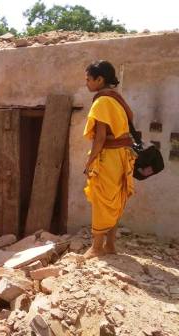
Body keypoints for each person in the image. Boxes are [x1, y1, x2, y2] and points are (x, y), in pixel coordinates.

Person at [83, 60, 136, 259]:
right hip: (122, 156)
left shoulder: (102, 102)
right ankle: (111, 245)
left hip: (109, 158)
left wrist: (89, 162)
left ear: (100, 79)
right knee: (115, 200)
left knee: (102, 199)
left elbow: (100, 137)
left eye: (89, 79)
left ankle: (97, 247)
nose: (86, 83)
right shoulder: (116, 99)